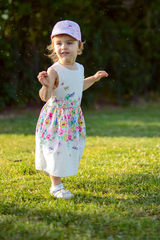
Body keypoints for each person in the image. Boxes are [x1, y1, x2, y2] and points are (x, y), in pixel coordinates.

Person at [35, 20, 108, 199]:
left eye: (69, 42)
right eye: (58, 43)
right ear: (53, 46)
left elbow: (77, 86)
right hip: (56, 118)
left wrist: (94, 78)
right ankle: (56, 186)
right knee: (57, 150)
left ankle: (56, 177)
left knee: (68, 149)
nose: (63, 47)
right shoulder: (54, 70)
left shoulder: (79, 68)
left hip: (73, 117)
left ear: (79, 46)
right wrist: (45, 85)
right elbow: (45, 96)